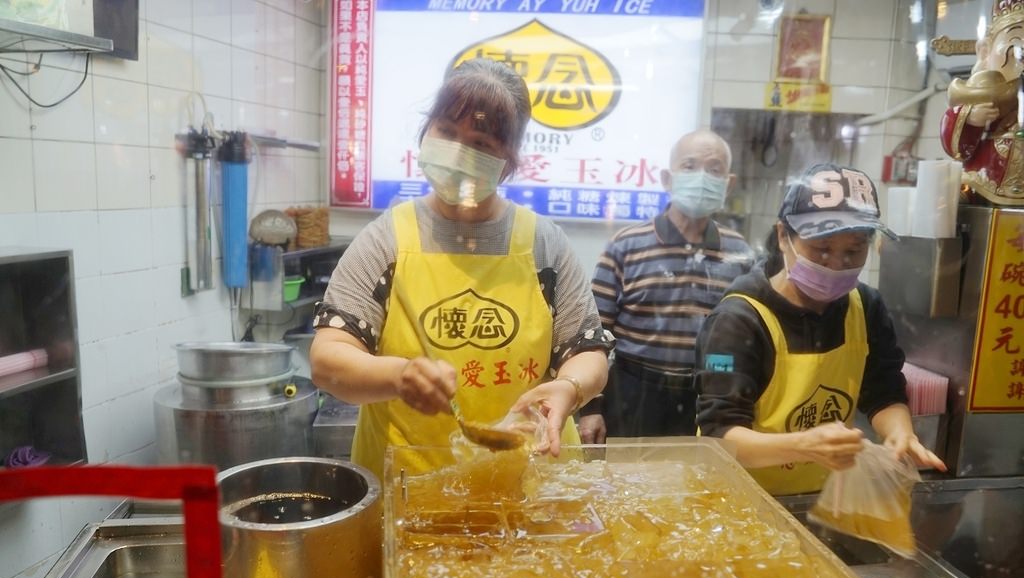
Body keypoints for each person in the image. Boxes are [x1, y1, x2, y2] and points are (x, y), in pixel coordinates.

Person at [309, 58, 613, 479]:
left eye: (482, 144)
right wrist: (399, 375)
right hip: (412, 488)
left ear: (508, 161)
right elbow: (328, 360)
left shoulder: (544, 244)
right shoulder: (387, 240)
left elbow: (586, 352)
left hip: (531, 485)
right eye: (447, 132)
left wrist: (569, 386)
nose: (458, 152)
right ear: (426, 130)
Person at [695, 162, 947, 496]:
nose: (836, 264)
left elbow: (884, 390)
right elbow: (720, 433)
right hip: (737, 502)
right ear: (784, 236)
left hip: (816, 499)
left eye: (853, 251)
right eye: (822, 249)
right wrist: (803, 446)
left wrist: (900, 433)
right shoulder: (737, 321)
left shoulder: (866, 307)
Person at [579, 130, 754, 443]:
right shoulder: (626, 244)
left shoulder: (740, 253)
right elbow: (594, 332)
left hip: (708, 398)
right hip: (634, 394)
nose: (702, 177)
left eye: (714, 170)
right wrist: (591, 407)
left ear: (728, 184)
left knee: (697, 488)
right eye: (689, 166)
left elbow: (745, 340)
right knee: (628, 488)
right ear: (667, 179)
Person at [940, 0, 1024, 205]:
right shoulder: (979, 96)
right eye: (1016, 41)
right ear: (985, 52)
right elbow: (958, 149)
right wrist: (970, 119)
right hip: (986, 181)